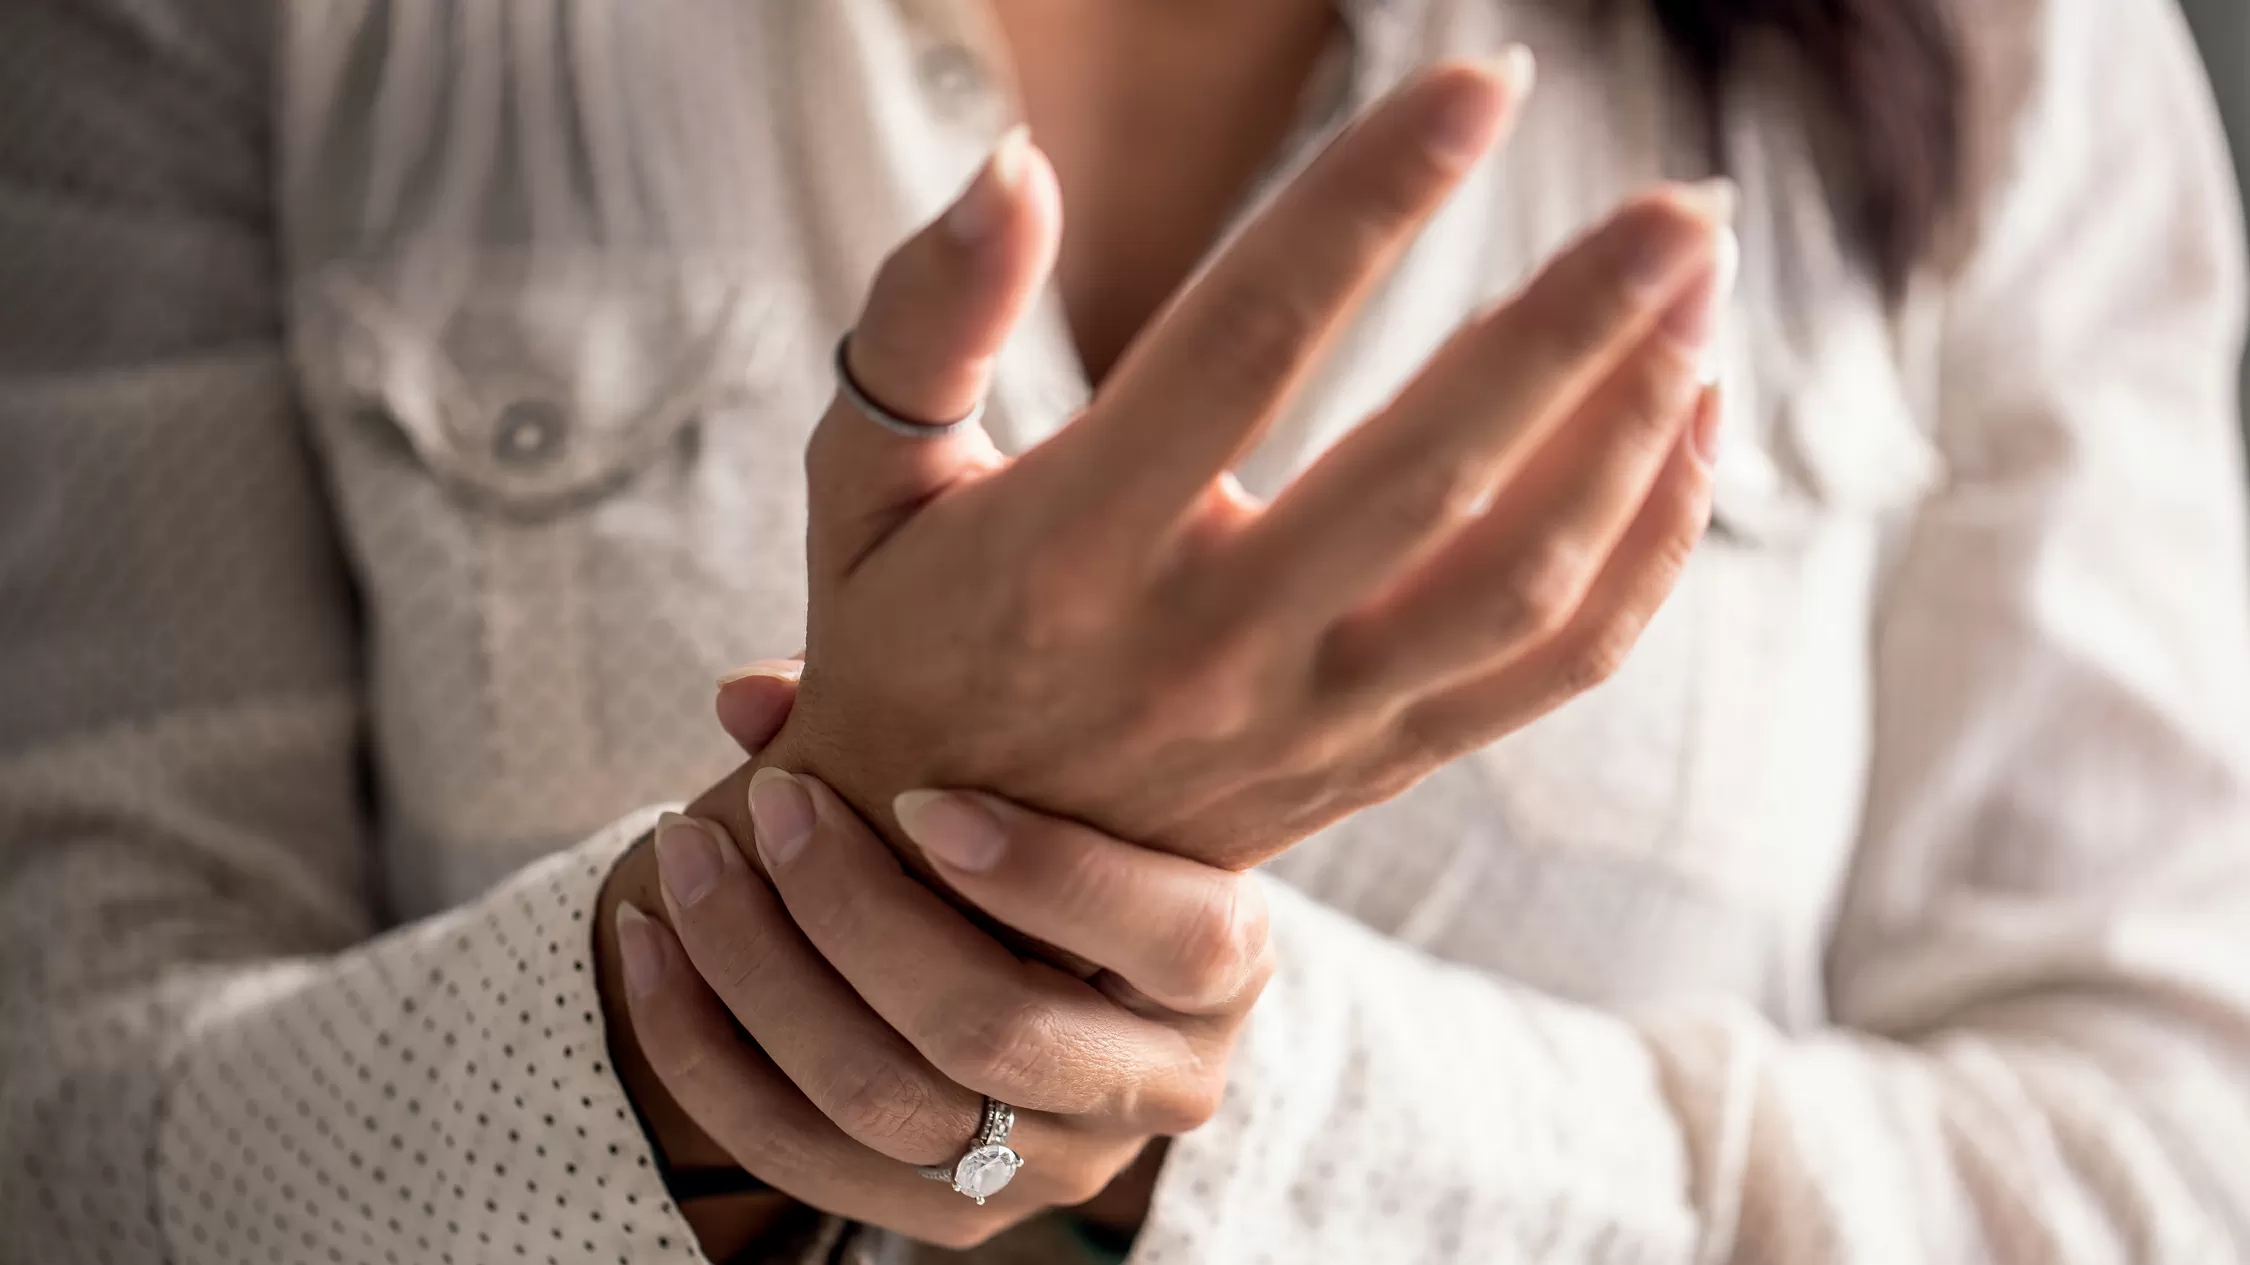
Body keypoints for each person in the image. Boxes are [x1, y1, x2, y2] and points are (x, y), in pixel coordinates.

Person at [5, 0, 2249, 1261]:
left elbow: (2167, 1160)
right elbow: (58, 1124)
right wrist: (695, 1019)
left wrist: (1227, 1075)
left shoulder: (2014, 53)